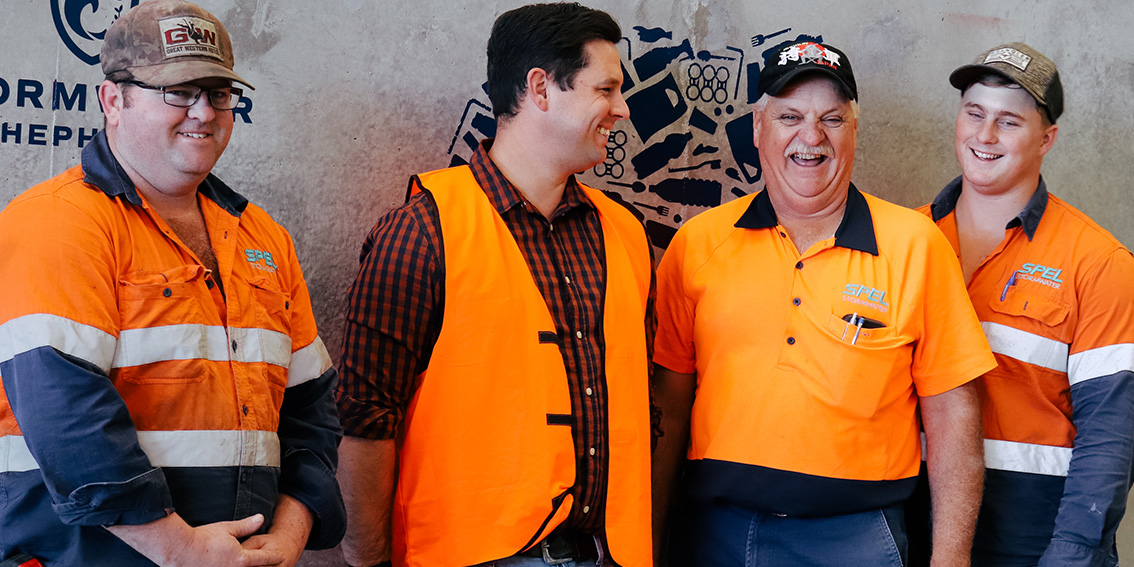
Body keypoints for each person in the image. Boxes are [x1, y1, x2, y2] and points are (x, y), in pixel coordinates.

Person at [0, 1, 345, 565]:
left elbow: (312, 408)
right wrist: (179, 549)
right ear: (113, 100)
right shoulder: (58, 223)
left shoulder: (264, 238)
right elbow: (65, 414)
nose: (203, 112)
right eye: (178, 92)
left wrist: (291, 530)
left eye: (218, 93)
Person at [650, 40, 998, 567]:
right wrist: (647, 545)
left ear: (854, 130)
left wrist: (951, 559)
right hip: (713, 534)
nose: (811, 137)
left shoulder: (916, 245)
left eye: (831, 120)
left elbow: (953, 414)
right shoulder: (698, 244)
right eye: (789, 117)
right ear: (758, 128)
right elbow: (668, 411)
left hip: (856, 539)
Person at [335, 3, 655, 567]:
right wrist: (367, 558)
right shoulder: (422, 232)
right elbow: (365, 419)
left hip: (612, 553)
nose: (623, 109)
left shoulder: (625, 233)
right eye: (605, 89)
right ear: (540, 88)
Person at [915, 42, 1134, 567]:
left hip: (1035, 536)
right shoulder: (905, 239)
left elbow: (1112, 435)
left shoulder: (1098, 262)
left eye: (1009, 122)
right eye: (975, 114)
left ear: (1046, 139)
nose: (985, 136)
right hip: (911, 523)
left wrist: (1072, 553)